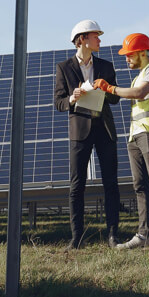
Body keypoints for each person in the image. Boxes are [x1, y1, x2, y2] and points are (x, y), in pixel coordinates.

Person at [94, 33, 149, 254]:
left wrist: (110, 88)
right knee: (140, 186)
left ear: (142, 52)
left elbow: (139, 94)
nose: (126, 59)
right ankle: (144, 235)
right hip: (136, 136)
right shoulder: (139, 75)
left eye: (129, 55)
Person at [54, 19, 122, 249]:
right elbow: (59, 102)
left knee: (111, 183)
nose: (100, 40)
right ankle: (77, 238)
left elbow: (115, 98)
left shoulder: (106, 66)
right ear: (82, 39)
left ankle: (113, 235)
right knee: (77, 186)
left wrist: (106, 88)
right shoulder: (64, 68)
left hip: (104, 129)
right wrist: (73, 98)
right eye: (96, 36)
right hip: (80, 131)